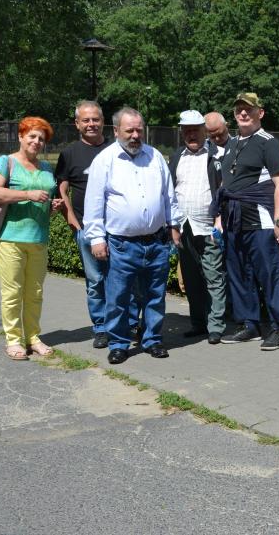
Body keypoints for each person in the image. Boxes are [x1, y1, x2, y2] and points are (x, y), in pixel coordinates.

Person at [84, 107, 182, 365]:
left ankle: (152, 339)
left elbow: (168, 195)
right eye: (130, 130)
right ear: (116, 131)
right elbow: (94, 203)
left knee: (154, 294)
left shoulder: (155, 156)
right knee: (118, 297)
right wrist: (96, 239)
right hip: (121, 244)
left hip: (157, 242)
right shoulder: (105, 160)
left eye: (139, 129)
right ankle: (118, 343)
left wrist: (174, 225)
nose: (136, 135)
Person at [55, 100, 142, 348]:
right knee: (96, 283)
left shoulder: (118, 148)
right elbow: (62, 189)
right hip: (88, 231)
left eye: (95, 119)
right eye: (86, 120)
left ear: (103, 122)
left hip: (119, 232)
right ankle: (102, 327)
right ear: (77, 124)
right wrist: (73, 222)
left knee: (127, 280)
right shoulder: (69, 154)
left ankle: (130, 325)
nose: (91, 124)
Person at [214, 93, 279, 350]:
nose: (243, 113)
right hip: (233, 220)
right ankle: (250, 324)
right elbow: (226, 183)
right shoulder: (232, 143)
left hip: (260, 219)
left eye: (248, 109)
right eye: (238, 109)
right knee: (238, 274)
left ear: (261, 112)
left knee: (268, 273)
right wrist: (219, 216)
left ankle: (278, 327)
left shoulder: (267, 142)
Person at [0, 117, 63, 360]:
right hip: (10, 238)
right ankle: (13, 340)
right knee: (12, 293)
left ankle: (33, 337)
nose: (37, 141)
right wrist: (27, 193)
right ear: (20, 136)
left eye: (41, 138)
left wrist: (53, 206)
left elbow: (43, 202)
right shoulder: (6, 162)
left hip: (38, 238)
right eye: (32, 136)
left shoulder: (46, 168)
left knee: (35, 292)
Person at [168, 110, 227, 345]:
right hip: (184, 227)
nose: (191, 134)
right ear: (182, 132)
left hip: (209, 227)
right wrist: (172, 225)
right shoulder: (175, 157)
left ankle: (216, 326)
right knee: (191, 280)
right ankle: (198, 324)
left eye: (195, 129)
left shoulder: (216, 156)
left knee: (213, 277)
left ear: (204, 130)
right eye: (187, 130)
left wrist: (219, 221)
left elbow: (223, 191)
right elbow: (170, 191)